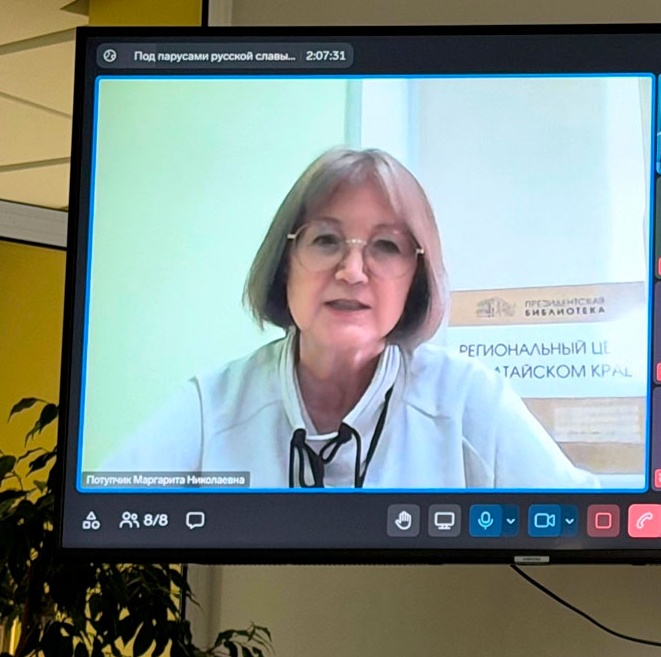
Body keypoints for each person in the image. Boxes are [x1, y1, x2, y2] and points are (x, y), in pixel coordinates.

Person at [100, 148, 597, 490]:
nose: (353, 271)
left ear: (416, 278)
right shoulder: (213, 406)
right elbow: (106, 510)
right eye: (325, 240)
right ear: (284, 262)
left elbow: (586, 518)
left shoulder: (468, 399)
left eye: (386, 246)